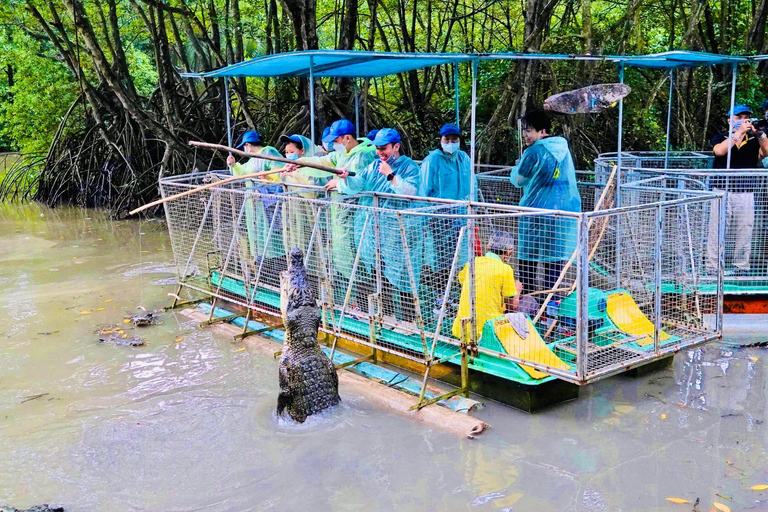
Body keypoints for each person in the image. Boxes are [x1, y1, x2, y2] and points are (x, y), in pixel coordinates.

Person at [329, 128, 422, 322]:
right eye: (378, 149)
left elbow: (410, 192)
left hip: (398, 231)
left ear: (396, 146)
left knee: (403, 274)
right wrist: (346, 178)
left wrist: (391, 175)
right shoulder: (373, 166)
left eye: (384, 149)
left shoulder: (409, 167)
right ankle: (386, 316)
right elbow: (358, 184)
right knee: (379, 273)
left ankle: (408, 320)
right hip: (372, 230)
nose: (380, 152)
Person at [283, 120, 378, 300]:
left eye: (335, 140)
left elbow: (359, 183)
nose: (333, 144)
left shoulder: (362, 156)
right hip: (340, 216)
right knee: (342, 261)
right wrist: (299, 164)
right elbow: (322, 162)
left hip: (357, 216)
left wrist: (339, 182)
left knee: (358, 260)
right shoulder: (341, 155)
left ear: (347, 138)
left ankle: (363, 304)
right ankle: (348, 303)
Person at [509, 109, 581, 297]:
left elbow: (519, 180)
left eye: (529, 130)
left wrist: (517, 166)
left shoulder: (534, 151)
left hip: (534, 212)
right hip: (560, 213)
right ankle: (551, 304)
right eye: (524, 130)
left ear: (542, 131)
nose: (525, 134)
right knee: (554, 258)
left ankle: (527, 301)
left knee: (528, 257)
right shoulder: (563, 147)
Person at [706, 105, 768, 276]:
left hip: (745, 191)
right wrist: (738, 133)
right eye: (738, 117)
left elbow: (766, 152)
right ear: (729, 119)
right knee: (716, 230)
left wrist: (761, 134)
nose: (742, 120)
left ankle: (741, 267)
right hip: (721, 191)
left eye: (746, 117)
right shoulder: (721, 136)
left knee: (744, 230)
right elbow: (719, 151)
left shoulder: (753, 139)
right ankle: (713, 267)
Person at [418, 123, 473, 313]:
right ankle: (440, 298)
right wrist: (424, 217)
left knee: (456, 259)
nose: (450, 143)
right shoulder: (433, 160)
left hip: (460, 216)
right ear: (440, 141)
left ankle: (452, 297)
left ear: (459, 140)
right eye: (446, 140)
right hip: (439, 217)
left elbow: (472, 184)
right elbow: (423, 190)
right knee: (440, 260)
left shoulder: (464, 158)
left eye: (454, 139)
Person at [225, 131, 285, 282]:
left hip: (269, 204)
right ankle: (263, 274)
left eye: (244, 146)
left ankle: (274, 274)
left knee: (273, 238)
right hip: (255, 207)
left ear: (248, 145)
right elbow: (243, 173)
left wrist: (267, 180)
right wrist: (234, 165)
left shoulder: (268, 152)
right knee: (258, 239)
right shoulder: (253, 160)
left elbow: (280, 174)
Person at [452, 232, 521, 341]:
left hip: (462, 330)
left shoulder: (472, 262)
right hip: (487, 334)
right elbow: (512, 306)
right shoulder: (505, 269)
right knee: (529, 303)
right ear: (509, 251)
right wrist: (517, 289)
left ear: (488, 246)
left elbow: (462, 281)